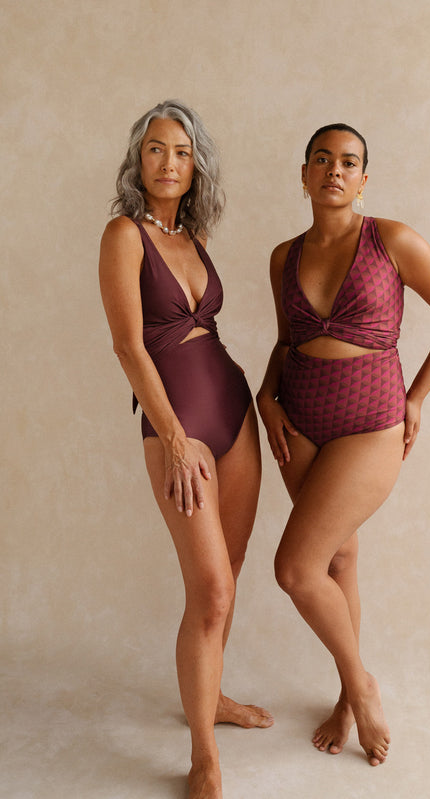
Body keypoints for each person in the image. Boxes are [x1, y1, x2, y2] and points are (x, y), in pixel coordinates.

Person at [257, 123, 430, 767]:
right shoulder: (282, 257)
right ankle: (346, 698)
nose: (335, 170)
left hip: (371, 422)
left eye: (348, 162)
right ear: (303, 175)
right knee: (337, 560)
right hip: (300, 420)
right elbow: (286, 340)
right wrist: (266, 395)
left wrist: (417, 396)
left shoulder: (392, 240)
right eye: (322, 159)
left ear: (363, 179)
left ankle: (360, 685)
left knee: (294, 569)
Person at [99, 99, 272, 799]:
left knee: (230, 571)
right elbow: (127, 345)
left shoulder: (192, 236)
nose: (168, 162)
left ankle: (212, 695)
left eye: (181, 151)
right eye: (155, 149)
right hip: (180, 426)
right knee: (211, 591)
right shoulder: (124, 234)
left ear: (196, 164)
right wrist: (172, 437)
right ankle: (203, 754)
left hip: (233, 409)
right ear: (137, 161)